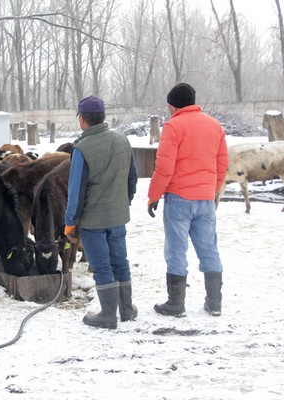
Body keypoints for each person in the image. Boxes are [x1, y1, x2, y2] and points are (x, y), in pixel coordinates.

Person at [148, 82, 228, 318]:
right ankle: (214, 303)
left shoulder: (173, 126)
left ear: (172, 105)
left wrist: (153, 196)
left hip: (179, 199)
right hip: (205, 199)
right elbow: (222, 163)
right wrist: (211, 191)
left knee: (176, 250)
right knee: (209, 249)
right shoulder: (215, 126)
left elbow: (164, 167)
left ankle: (176, 303)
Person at [64, 95, 138, 329]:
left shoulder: (81, 149)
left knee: (102, 266)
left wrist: (69, 223)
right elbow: (132, 179)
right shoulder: (122, 140)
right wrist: (123, 202)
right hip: (118, 217)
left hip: (93, 221)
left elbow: (76, 192)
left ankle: (108, 314)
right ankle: (126, 309)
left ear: (82, 119)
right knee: (120, 262)